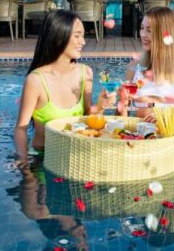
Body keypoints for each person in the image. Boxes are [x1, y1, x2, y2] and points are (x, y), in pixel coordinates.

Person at [14, 10, 111, 166]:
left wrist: (100, 106)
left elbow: (87, 116)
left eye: (83, 36)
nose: (83, 42)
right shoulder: (36, 80)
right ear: (59, 36)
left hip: (76, 155)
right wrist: (24, 165)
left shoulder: (85, 73)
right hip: (43, 157)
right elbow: (21, 128)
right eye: (77, 36)